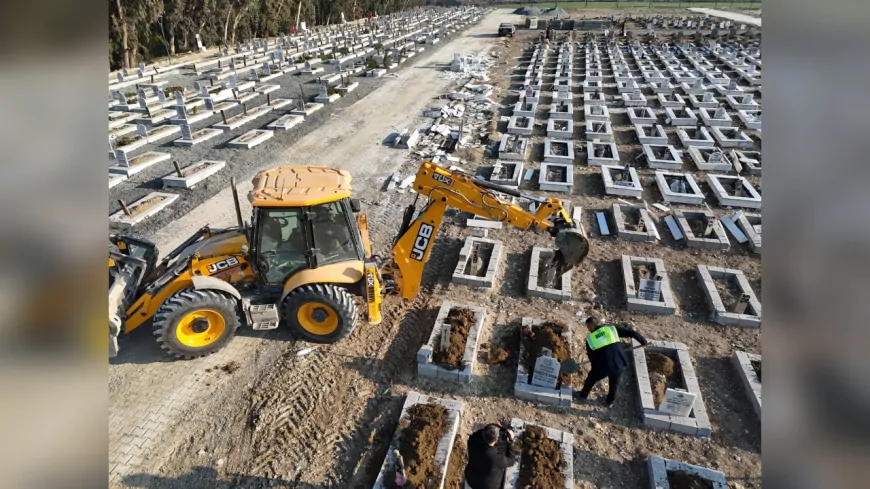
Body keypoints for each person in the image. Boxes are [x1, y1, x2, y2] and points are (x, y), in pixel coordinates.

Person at [576, 316, 649, 406]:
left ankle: (583, 396)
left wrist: (595, 371)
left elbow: (593, 359)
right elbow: (631, 332)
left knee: (590, 379)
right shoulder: (611, 329)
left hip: (604, 366)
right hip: (619, 363)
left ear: (591, 327)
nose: (588, 329)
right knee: (614, 384)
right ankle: (610, 402)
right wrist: (643, 341)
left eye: (588, 327)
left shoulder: (590, 339)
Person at [464, 423, 516, 489]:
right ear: (496, 440)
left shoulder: (472, 442)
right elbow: (511, 460)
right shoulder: (498, 458)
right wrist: (510, 442)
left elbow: (476, 434)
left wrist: (489, 428)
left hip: (471, 480)